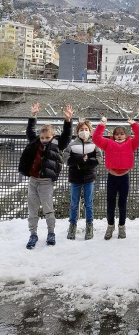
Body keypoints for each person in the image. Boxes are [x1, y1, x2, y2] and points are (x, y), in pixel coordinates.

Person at [19, 102, 74, 249]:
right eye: (42, 137)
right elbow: (30, 131)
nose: (44, 140)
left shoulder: (57, 144)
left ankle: (51, 232)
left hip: (46, 182)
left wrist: (68, 121)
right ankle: (33, 233)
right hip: (33, 180)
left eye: (47, 138)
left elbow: (67, 136)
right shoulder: (35, 142)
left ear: (52, 136)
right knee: (32, 209)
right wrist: (33, 116)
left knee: (48, 208)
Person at [92, 114, 139, 240]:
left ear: (126, 135)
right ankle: (110, 226)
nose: (119, 135)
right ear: (113, 135)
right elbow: (96, 138)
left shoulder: (131, 143)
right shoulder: (108, 143)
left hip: (124, 177)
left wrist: (134, 124)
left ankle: (122, 226)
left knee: (122, 203)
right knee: (110, 203)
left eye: (122, 133)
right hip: (112, 177)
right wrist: (102, 125)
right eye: (117, 133)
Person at [64, 119, 103, 240]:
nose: (84, 132)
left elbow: (99, 158)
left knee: (89, 203)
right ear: (77, 131)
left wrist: (88, 162)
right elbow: (66, 158)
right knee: (74, 203)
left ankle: (89, 225)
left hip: (89, 177)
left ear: (90, 131)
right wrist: (79, 160)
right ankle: (72, 225)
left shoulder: (94, 144)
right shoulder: (72, 144)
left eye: (86, 129)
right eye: (81, 130)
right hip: (75, 177)